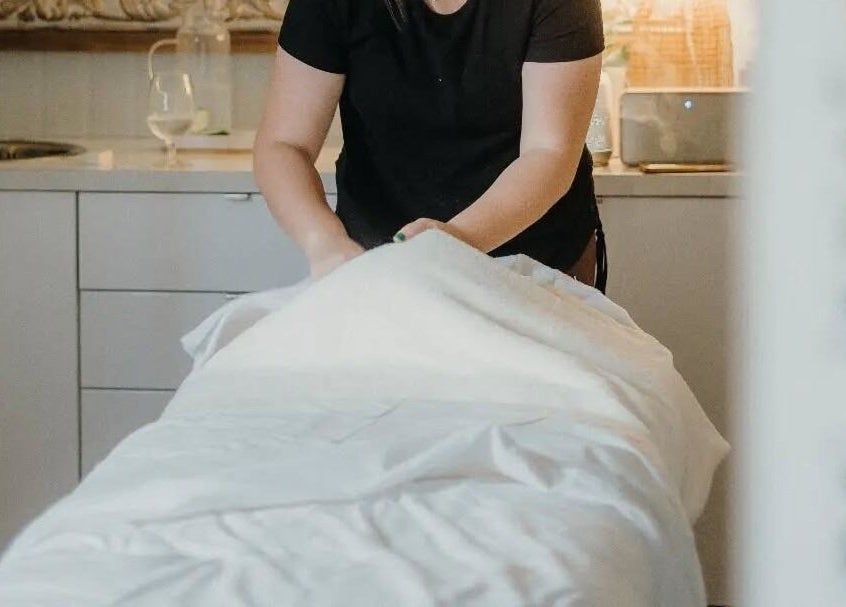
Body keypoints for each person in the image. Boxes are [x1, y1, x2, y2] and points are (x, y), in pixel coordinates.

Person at [254, 0, 607, 291]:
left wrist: (457, 239)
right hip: (379, 263)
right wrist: (324, 242)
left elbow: (548, 152)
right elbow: (285, 144)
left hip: (533, 264)